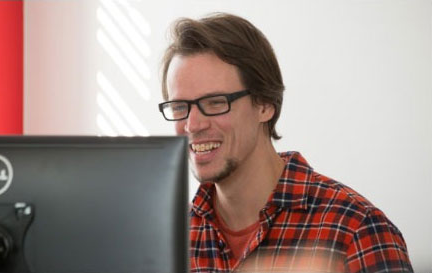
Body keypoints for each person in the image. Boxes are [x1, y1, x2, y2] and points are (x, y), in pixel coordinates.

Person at [158, 13, 413, 273]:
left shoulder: (356, 230)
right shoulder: (167, 241)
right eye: (180, 107)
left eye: (215, 103)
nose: (192, 125)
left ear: (265, 104)